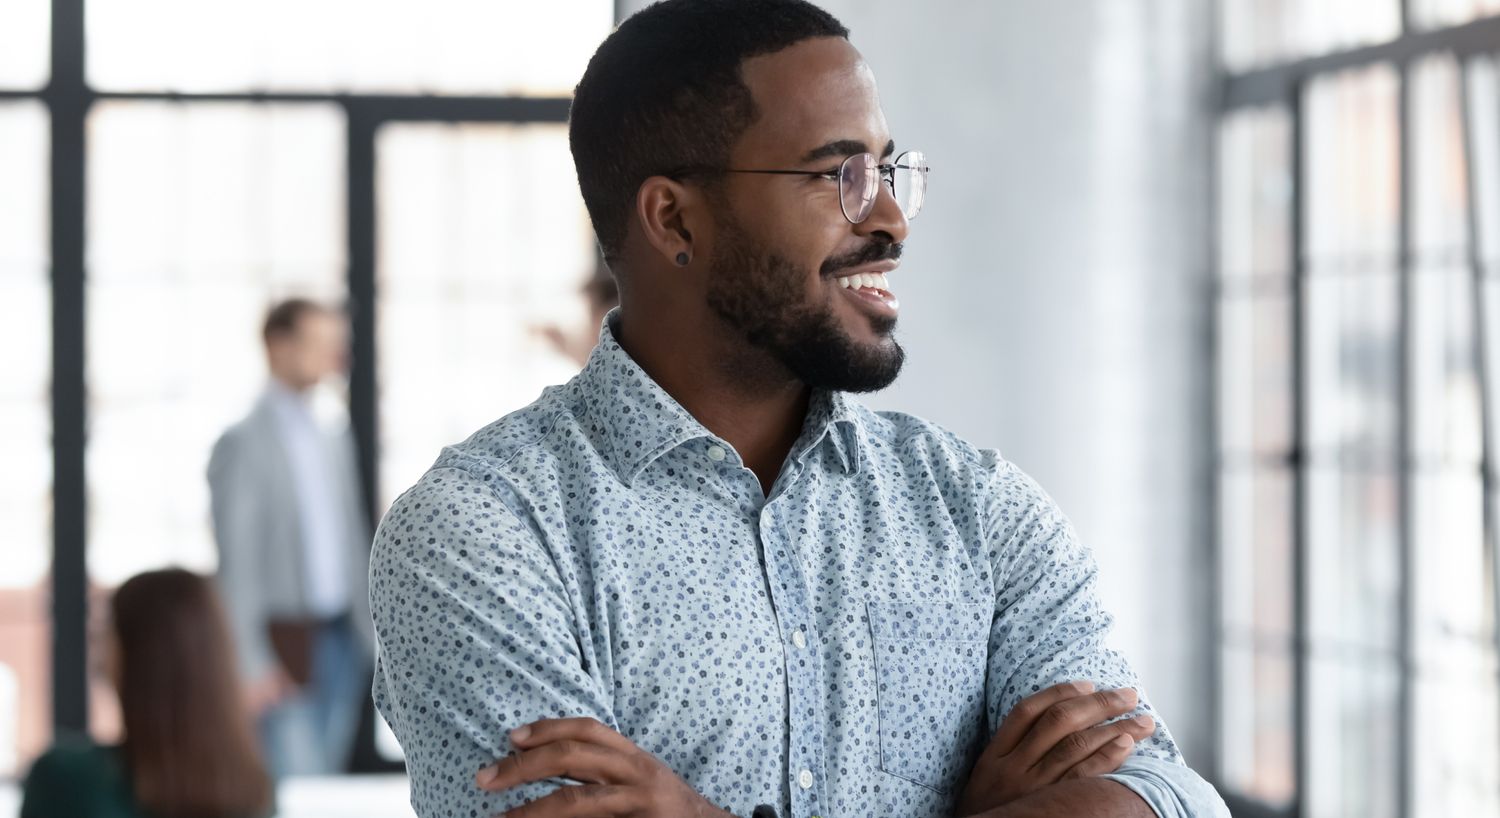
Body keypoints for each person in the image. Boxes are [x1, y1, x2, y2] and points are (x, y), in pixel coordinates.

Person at [370, 2, 1230, 817]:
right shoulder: (481, 535)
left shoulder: (978, 512)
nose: (891, 218)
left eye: (889, 169)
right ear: (675, 219)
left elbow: (1167, 795)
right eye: (839, 174)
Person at [207, 298, 374, 777]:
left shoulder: (332, 434)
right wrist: (250, 660)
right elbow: (237, 560)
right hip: (281, 641)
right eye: (318, 343)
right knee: (297, 780)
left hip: (342, 636)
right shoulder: (242, 442)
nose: (332, 356)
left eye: (335, 345)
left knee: (325, 777)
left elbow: (352, 536)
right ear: (278, 345)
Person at [20, 569, 273, 818]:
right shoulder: (254, 791)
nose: (99, 657)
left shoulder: (66, 779)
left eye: (104, 637)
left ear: (129, 657)